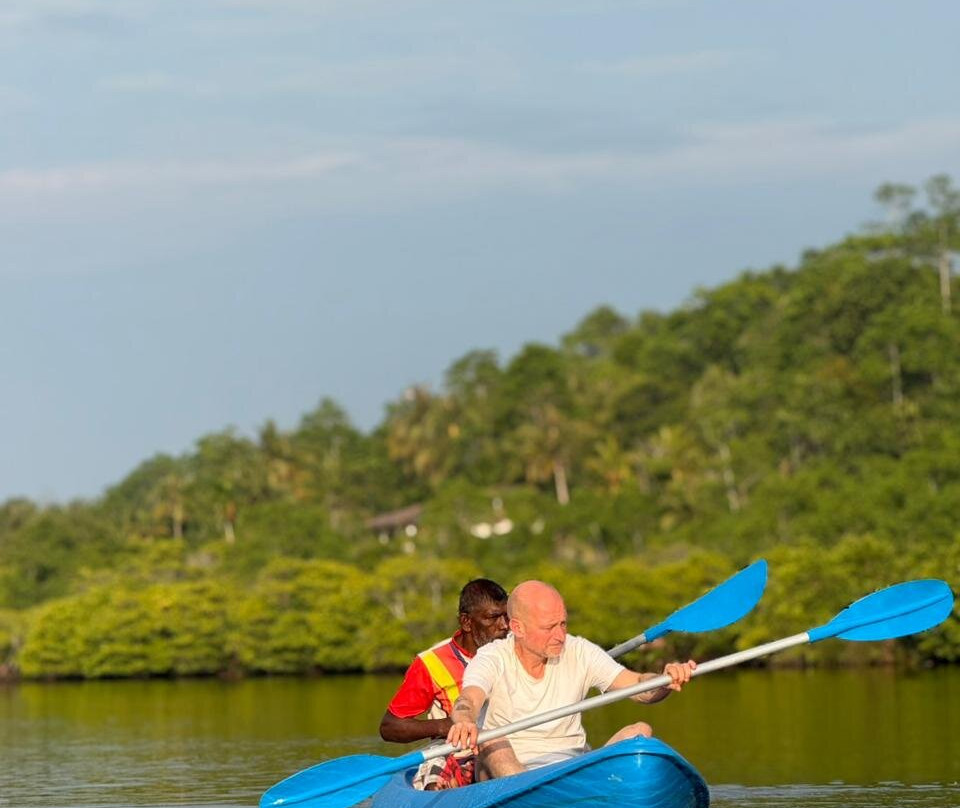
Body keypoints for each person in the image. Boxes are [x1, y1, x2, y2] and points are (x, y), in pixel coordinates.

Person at [446, 580, 696, 779]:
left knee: (640, 731)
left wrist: (664, 679)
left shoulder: (579, 650)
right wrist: (465, 721)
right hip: (510, 771)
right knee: (491, 738)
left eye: (563, 624)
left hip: (571, 770)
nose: (560, 636)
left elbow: (640, 686)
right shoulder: (492, 657)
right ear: (518, 628)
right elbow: (468, 699)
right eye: (549, 627)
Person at [380, 577, 509, 789]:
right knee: (435, 780)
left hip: (508, 744)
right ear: (467, 622)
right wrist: (446, 726)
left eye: (506, 616)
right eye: (493, 618)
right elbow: (389, 727)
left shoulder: (517, 648)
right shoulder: (431, 663)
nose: (504, 626)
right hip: (454, 749)